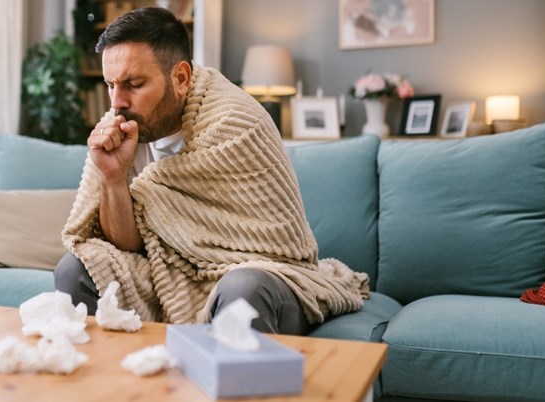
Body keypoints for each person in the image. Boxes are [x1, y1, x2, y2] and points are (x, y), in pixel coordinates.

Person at [55, 7, 369, 335]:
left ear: (180, 78)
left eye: (134, 84)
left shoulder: (236, 123)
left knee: (243, 289)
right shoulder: (124, 125)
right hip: (164, 273)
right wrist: (113, 177)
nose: (117, 101)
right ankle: (107, 383)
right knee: (76, 268)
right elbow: (127, 246)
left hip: (262, 273)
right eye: (110, 84)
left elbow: (278, 250)